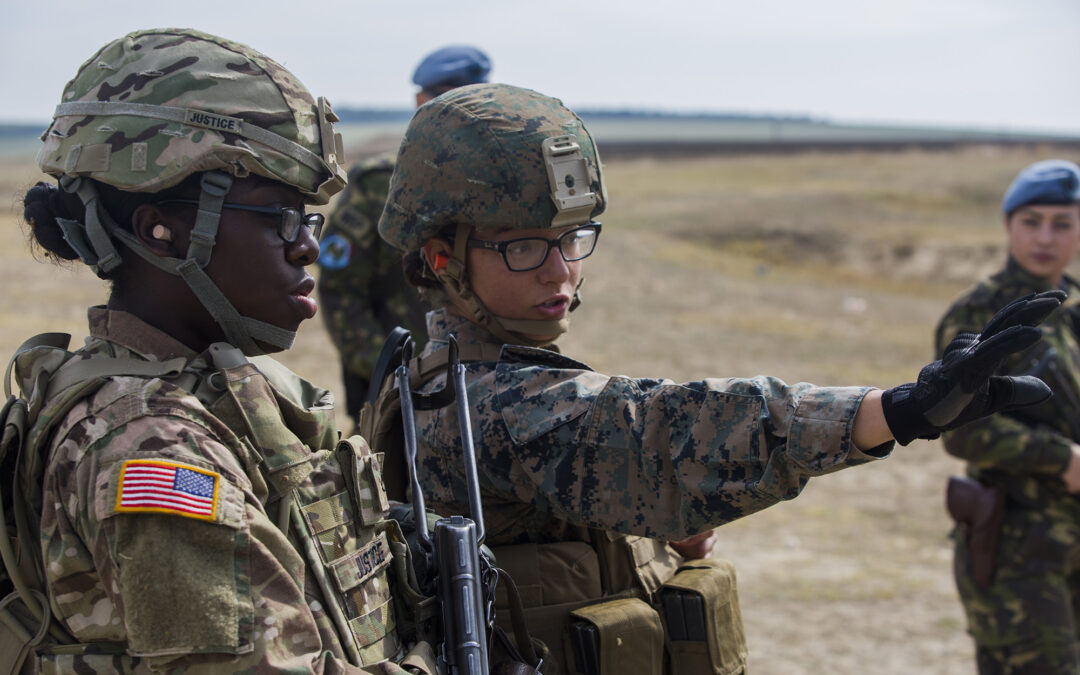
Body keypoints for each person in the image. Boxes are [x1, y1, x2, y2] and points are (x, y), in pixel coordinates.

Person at [371, 82, 1064, 674]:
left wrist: (646, 544)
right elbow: (661, 433)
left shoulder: (455, 373)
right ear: (441, 259)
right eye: (524, 246)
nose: (560, 271)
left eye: (573, 238)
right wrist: (896, 411)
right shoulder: (489, 400)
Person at [12, 28, 435, 674]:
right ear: (162, 230)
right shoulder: (152, 451)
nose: (307, 248)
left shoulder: (218, 388)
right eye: (278, 219)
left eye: (309, 220)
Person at [936, 159, 1080, 674]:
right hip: (1021, 547)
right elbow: (958, 426)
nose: (1046, 236)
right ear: (1008, 225)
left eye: (1062, 223)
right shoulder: (980, 315)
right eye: (1031, 221)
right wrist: (1061, 458)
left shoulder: (1076, 309)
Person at [318, 45, 492, 428]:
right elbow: (340, 292)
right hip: (394, 405)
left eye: (471, 102)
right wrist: (398, 371)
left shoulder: (499, 189)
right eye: (446, 101)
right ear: (420, 102)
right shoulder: (380, 186)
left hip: (488, 394)